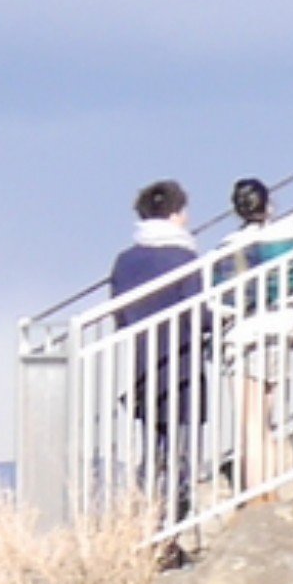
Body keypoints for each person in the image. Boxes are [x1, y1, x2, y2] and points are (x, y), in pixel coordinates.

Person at [110, 180, 212, 524]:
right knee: (182, 451)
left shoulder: (125, 261)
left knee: (151, 453)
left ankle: (145, 519)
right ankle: (175, 522)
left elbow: (120, 315)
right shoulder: (184, 258)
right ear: (174, 214)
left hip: (144, 367)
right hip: (181, 366)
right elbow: (199, 315)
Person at [221, 174, 293, 484]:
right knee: (266, 420)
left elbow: (221, 302)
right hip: (282, 331)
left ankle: (257, 493)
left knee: (250, 424)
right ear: (269, 205)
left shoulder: (229, 248)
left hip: (245, 336)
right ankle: (270, 487)